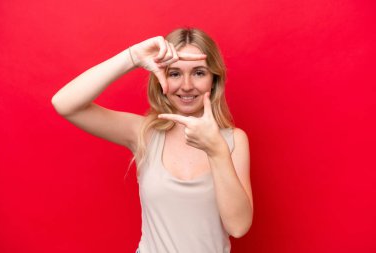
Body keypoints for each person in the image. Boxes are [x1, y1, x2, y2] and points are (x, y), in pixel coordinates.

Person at [52, 27, 253, 253]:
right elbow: (65, 104)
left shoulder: (233, 140)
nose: (186, 85)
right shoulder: (144, 133)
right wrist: (132, 57)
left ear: (213, 80)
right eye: (174, 73)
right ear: (160, 79)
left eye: (198, 72)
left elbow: (238, 226)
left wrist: (217, 151)